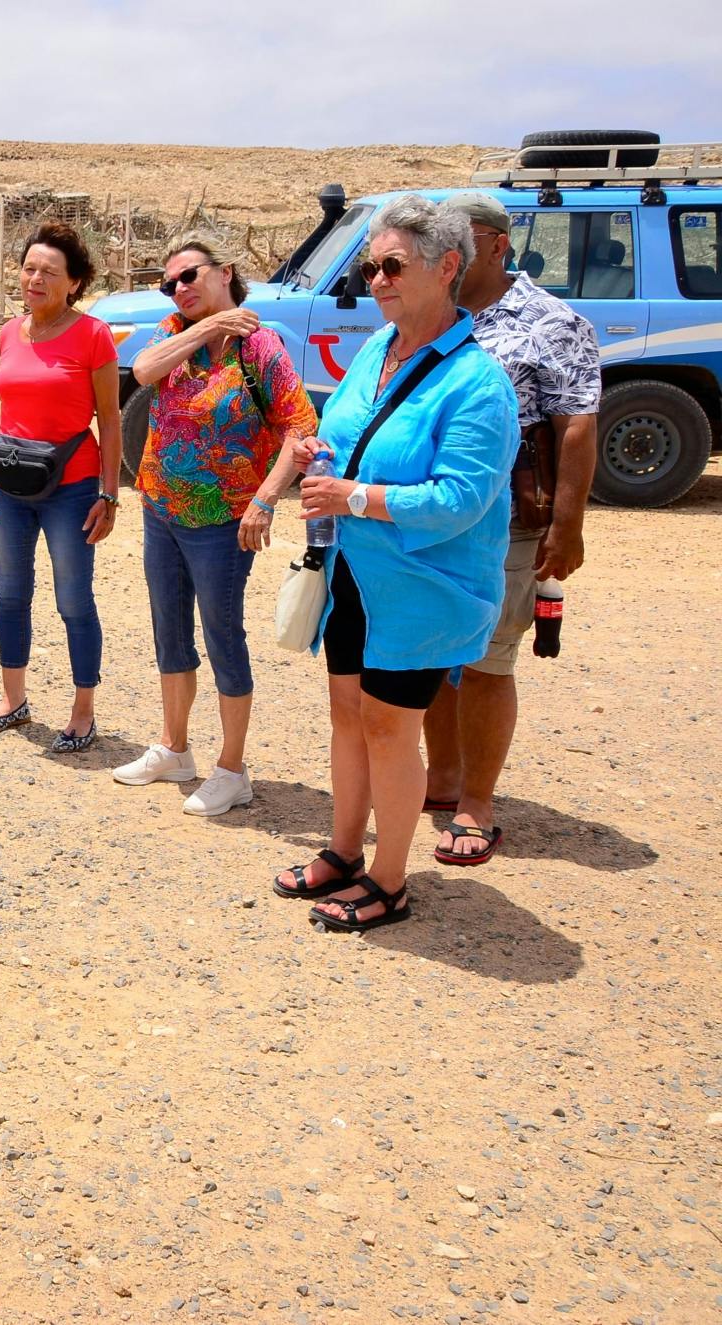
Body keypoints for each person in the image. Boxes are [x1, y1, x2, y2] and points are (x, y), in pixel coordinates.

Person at [271, 195, 517, 933]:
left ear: (448, 268)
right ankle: (345, 851)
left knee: (387, 725)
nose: (375, 280)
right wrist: (325, 460)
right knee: (347, 713)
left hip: (421, 588)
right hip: (357, 576)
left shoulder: (479, 383)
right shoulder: (378, 351)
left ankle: (388, 880)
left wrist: (357, 494)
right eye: (369, 266)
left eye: (392, 266)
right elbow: (344, 426)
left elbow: (461, 498)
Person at [422, 191, 600, 866]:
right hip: (433, 509)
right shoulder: (434, 316)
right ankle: (440, 781)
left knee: (487, 659)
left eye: (458, 241)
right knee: (437, 649)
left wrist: (568, 523)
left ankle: (477, 804)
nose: (446, 255)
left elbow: (575, 424)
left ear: (496, 244)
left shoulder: (552, 321)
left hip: (508, 517)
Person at [115, 236, 317, 810]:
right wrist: (203, 328)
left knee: (222, 632)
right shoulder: (174, 331)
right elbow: (147, 371)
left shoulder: (261, 346)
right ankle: (174, 749)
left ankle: (233, 768)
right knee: (169, 629)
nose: (179, 288)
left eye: (189, 276)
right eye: (169, 283)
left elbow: (300, 427)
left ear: (225, 271)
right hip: (162, 508)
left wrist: (267, 498)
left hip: (223, 520)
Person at [0, 223, 120, 752]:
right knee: (9, 594)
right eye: (29, 268)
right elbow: (10, 411)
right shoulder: (10, 331)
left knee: (73, 598)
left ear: (74, 282)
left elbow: (110, 418)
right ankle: (14, 700)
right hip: (13, 485)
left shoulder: (93, 335)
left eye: (49, 272)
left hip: (73, 487)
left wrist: (109, 495)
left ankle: (83, 712)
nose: (35, 278)